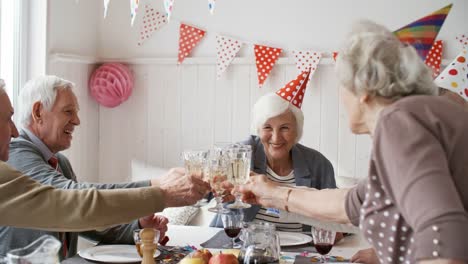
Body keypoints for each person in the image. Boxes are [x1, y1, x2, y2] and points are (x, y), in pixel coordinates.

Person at [236, 20, 468, 264]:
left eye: (342, 85)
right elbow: (352, 202)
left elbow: (443, 235)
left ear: (363, 90)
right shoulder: (422, 117)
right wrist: (272, 193)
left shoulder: (399, 121)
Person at [0, 79, 210, 258]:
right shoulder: (18, 154)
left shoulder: (59, 162)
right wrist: (160, 189)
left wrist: (138, 225)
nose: (77, 120)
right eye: (68, 111)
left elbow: (86, 220)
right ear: (38, 112)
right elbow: (69, 200)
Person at [211, 72, 336, 233]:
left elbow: (338, 215)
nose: (276, 138)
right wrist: (216, 188)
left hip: (302, 251)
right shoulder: (238, 155)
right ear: (258, 130)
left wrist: (337, 231)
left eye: (284, 128)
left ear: (297, 130)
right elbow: (205, 191)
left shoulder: (318, 164)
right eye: (267, 127)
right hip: (240, 246)